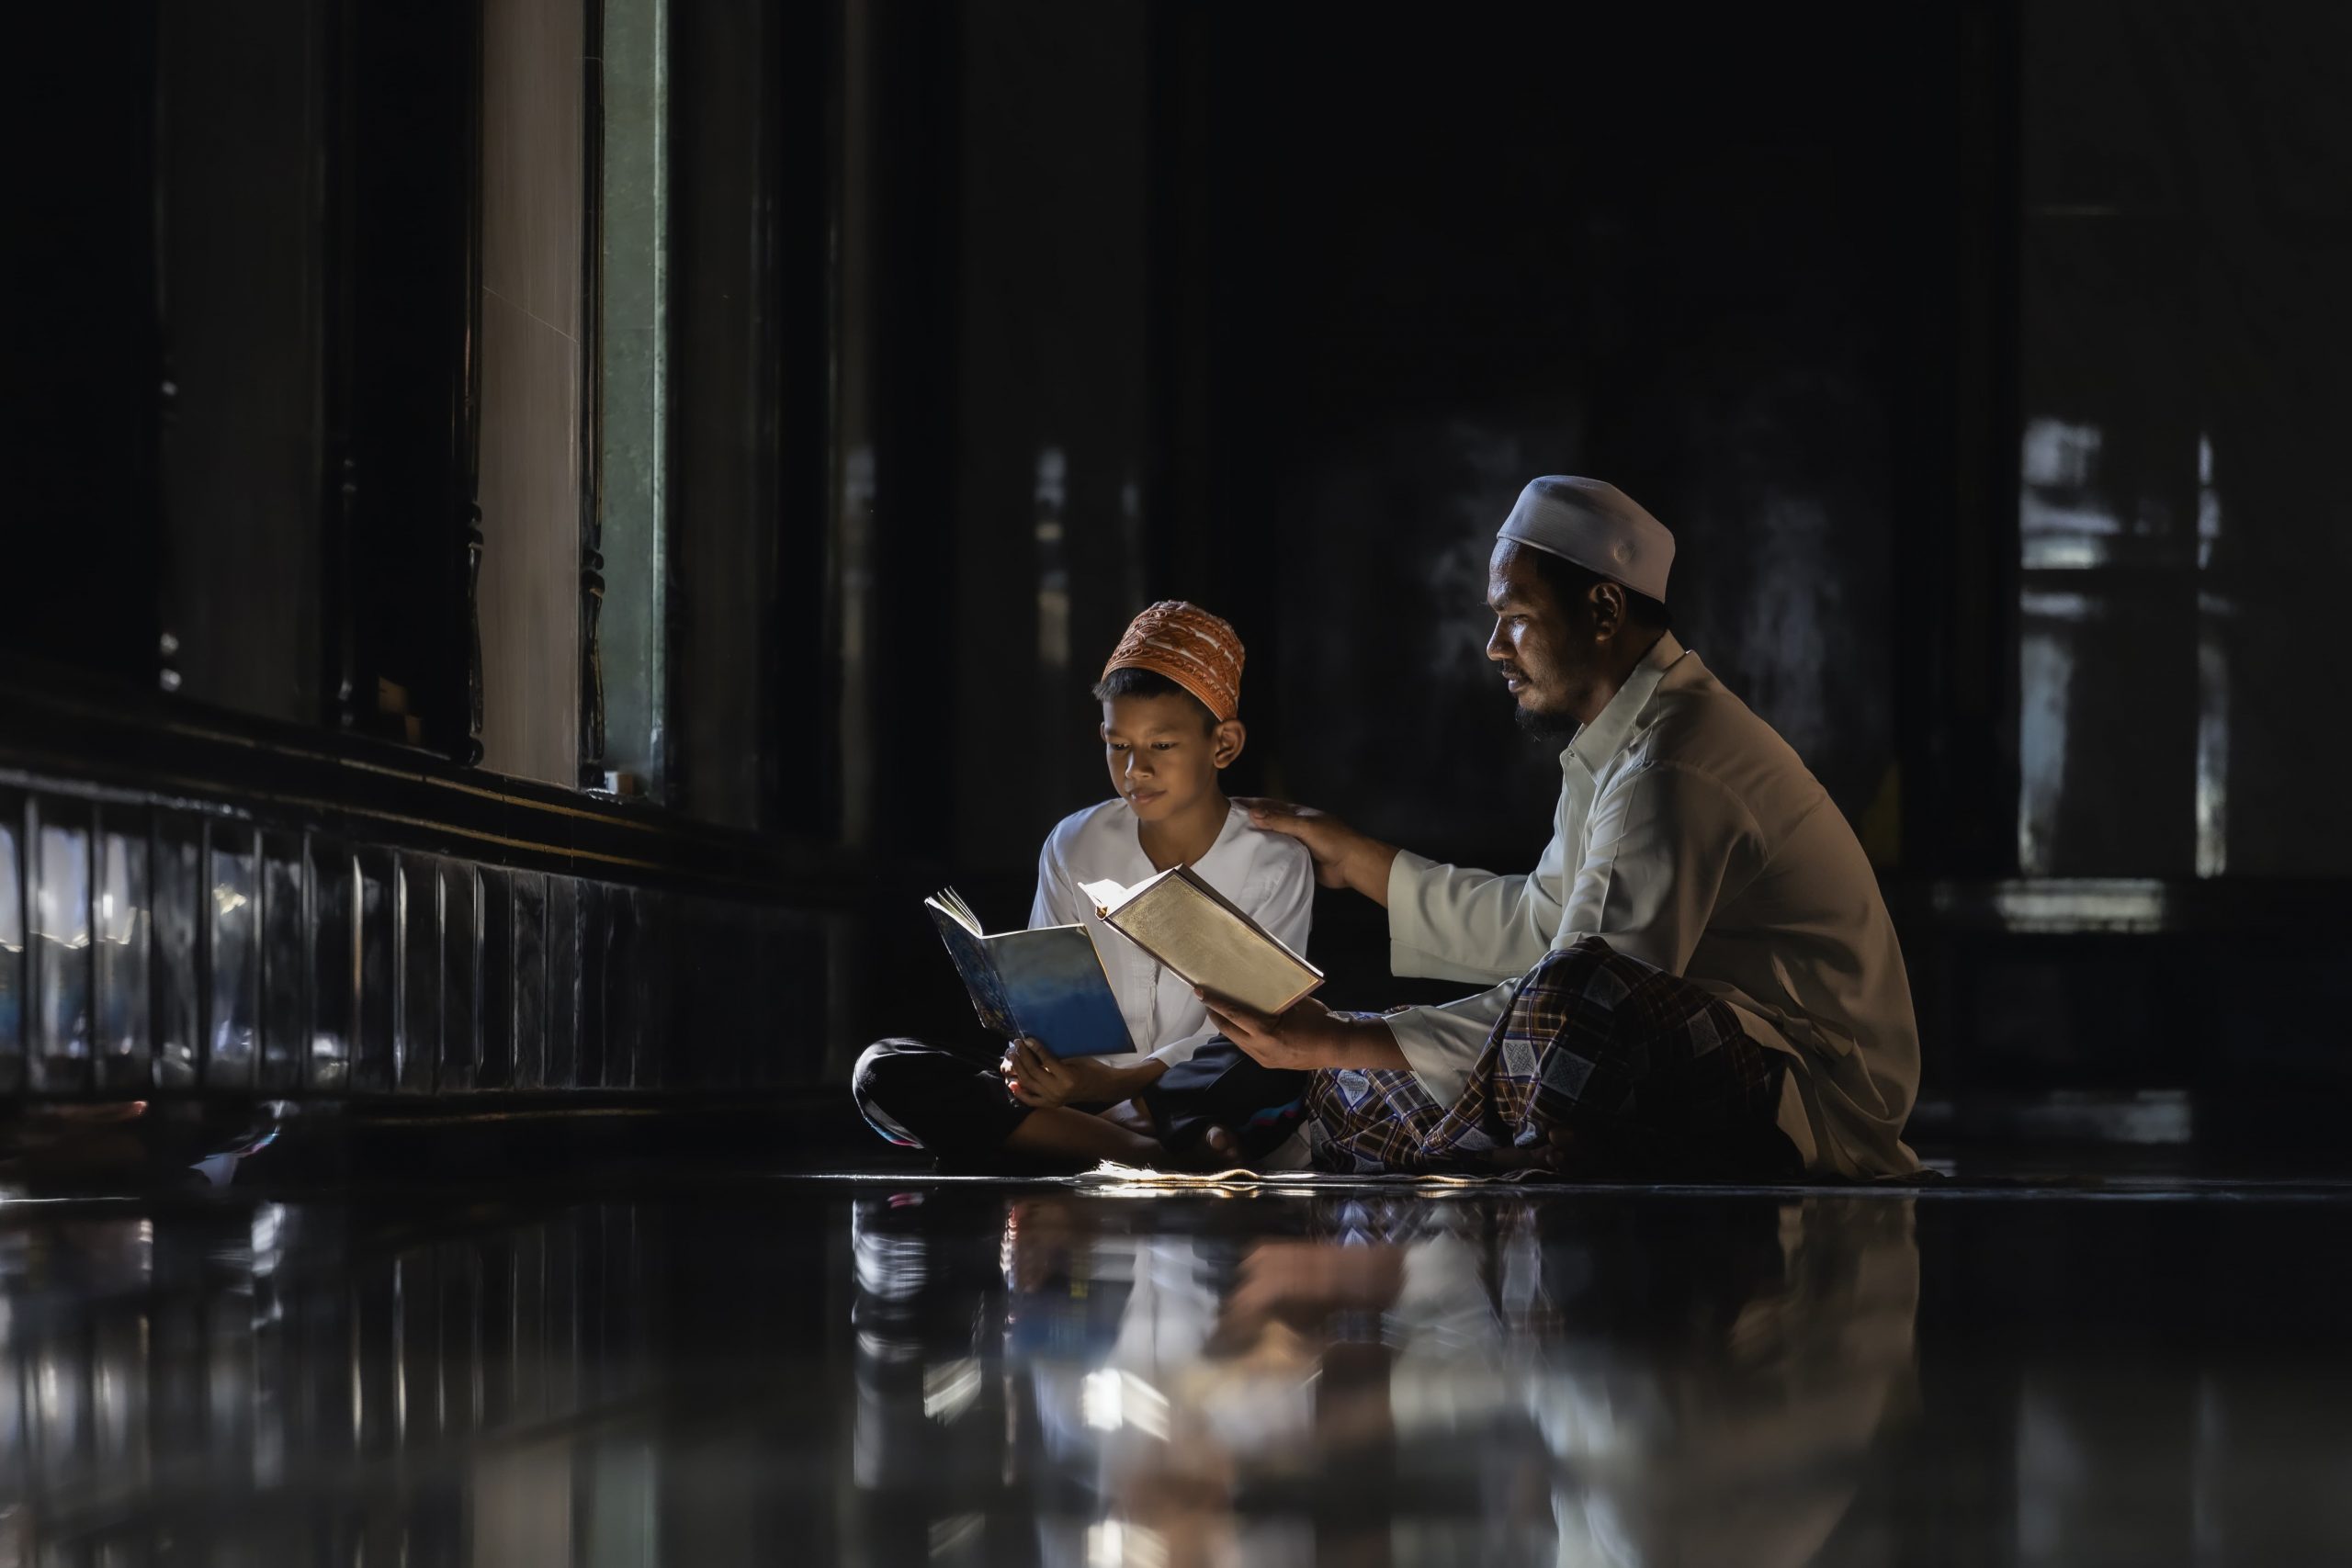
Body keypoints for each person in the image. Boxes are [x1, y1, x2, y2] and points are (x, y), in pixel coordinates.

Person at [1206, 476, 1921, 1179]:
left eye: (1515, 614)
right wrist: (1359, 866)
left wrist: (1344, 1035)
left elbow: (1581, 989)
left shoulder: (1675, 762)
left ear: (1604, 610)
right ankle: (1518, 1150)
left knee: (1553, 1004)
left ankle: (1502, 1149)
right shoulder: (1617, 738)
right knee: (1347, 1085)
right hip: (1647, 1048)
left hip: (1810, 1092)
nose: (1494, 646)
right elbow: (1540, 924)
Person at [854, 602, 1315, 1168]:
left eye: (1161, 747)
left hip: (1188, 1090)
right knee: (882, 1068)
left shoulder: (1276, 860)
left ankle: (1058, 1143)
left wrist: (1118, 1084)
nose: (1134, 770)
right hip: (1082, 1097)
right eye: (1118, 746)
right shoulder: (1075, 842)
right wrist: (1038, 1065)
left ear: (1224, 745)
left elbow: (1260, 1026)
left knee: (1274, 1063)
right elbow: (1044, 1002)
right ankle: (1152, 1158)